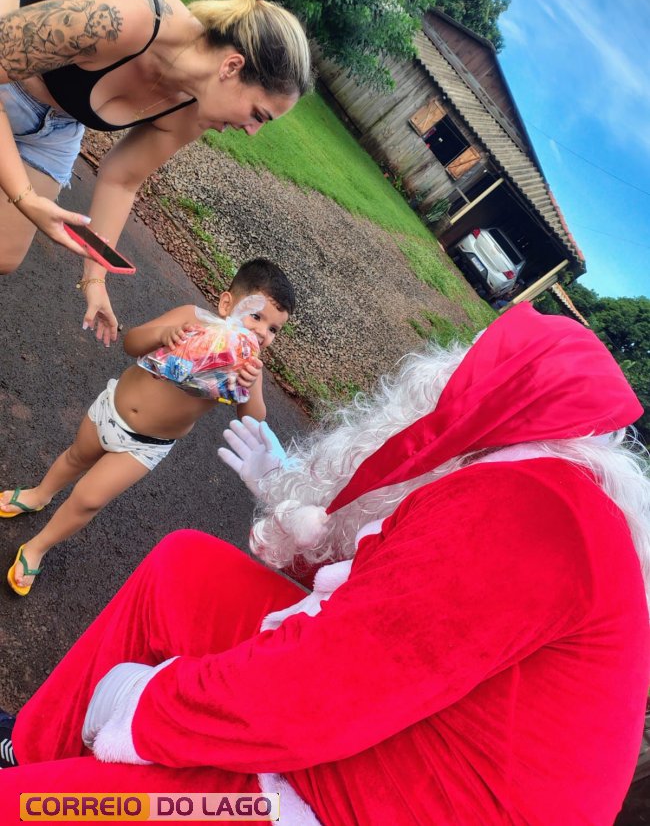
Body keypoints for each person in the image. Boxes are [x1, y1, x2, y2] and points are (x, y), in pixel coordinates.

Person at [0, 303, 649, 826]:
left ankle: (41, 786)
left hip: (379, 798)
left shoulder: (534, 511)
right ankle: (32, 747)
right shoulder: (550, 493)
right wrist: (282, 495)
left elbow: (311, 697)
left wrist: (141, 705)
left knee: (32, 808)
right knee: (186, 569)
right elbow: (392, 605)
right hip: (408, 736)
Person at [0, 0, 311, 345]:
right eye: (258, 114)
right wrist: (25, 197)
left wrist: (95, 278)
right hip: (7, 79)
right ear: (232, 67)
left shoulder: (193, 107)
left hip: (58, 124)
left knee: (5, 253)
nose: (252, 131)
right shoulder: (126, 17)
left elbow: (122, 178)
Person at [1, 257, 294, 596]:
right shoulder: (191, 318)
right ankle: (40, 494)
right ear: (227, 303)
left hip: (145, 445)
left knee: (88, 499)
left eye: (274, 329)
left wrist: (250, 384)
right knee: (75, 457)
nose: (262, 332)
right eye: (256, 316)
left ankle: (38, 547)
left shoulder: (248, 368)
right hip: (111, 410)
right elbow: (132, 343)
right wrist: (163, 335)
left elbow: (253, 418)